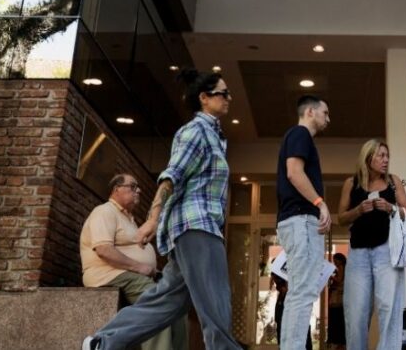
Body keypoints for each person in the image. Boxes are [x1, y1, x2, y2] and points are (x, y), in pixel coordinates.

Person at [83, 70, 241, 350]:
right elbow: (172, 175)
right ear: (204, 98)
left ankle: (102, 342)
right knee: (215, 302)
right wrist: (153, 218)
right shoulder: (197, 131)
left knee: (166, 302)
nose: (229, 98)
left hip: (193, 229)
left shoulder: (215, 136)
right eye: (223, 93)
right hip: (197, 227)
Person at [80, 173, 186, 350]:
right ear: (116, 190)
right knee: (157, 300)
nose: (139, 190)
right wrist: (139, 267)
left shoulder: (129, 219)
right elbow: (103, 250)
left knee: (177, 304)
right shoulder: (105, 211)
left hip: (131, 275)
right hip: (108, 274)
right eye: (133, 186)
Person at [336, 139, 406, 350]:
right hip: (358, 254)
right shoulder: (351, 183)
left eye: (387, 156)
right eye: (381, 155)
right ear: (368, 158)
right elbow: (341, 218)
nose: (386, 160)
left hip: (386, 251)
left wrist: (391, 208)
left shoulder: (393, 182)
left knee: (389, 307)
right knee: (356, 311)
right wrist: (358, 210)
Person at [276, 95, 332, 350]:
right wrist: (320, 202)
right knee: (303, 293)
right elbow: (294, 172)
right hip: (301, 219)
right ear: (310, 112)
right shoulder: (300, 134)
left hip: (294, 220)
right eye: (325, 113)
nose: (328, 119)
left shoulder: (296, 136)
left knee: (298, 292)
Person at [326, 252, 347, 350]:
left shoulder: (342, 268)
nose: (334, 262)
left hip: (339, 299)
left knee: (338, 320)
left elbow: (339, 280)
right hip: (336, 298)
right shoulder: (339, 269)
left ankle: (339, 342)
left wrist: (331, 276)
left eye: (336, 260)